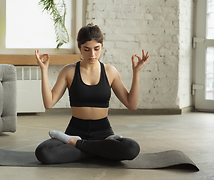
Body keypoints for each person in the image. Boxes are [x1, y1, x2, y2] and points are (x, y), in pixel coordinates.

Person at [34, 24, 149, 164]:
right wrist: (44, 70)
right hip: (75, 131)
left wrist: (136, 72)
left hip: (104, 134)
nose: (92, 54)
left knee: (132, 148)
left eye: (96, 49)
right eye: (87, 49)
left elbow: (132, 105)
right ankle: (99, 151)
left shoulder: (110, 72)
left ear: (102, 46)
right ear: (79, 47)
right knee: (44, 152)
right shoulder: (69, 71)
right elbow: (49, 103)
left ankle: (78, 146)